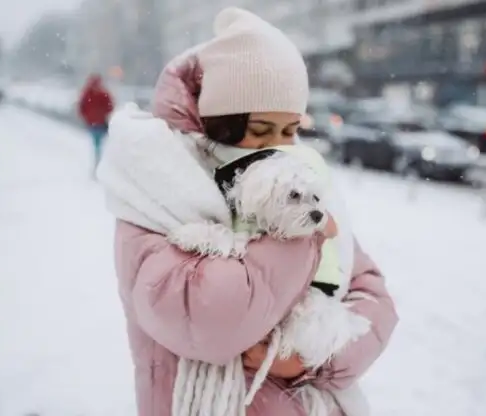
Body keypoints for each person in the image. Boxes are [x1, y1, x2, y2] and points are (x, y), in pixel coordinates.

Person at [97, 8, 398, 416]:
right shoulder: (156, 188)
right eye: (260, 132)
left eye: (290, 131)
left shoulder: (299, 180)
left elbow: (373, 297)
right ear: (219, 124)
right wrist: (302, 238)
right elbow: (208, 321)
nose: (277, 146)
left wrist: (312, 359)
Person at [77, 74, 114, 175]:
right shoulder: (103, 93)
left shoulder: (87, 93)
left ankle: (98, 164)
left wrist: (87, 117)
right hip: (101, 123)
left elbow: (81, 108)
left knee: (97, 144)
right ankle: (100, 164)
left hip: (93, 123)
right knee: (102, 143)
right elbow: (110, 106)